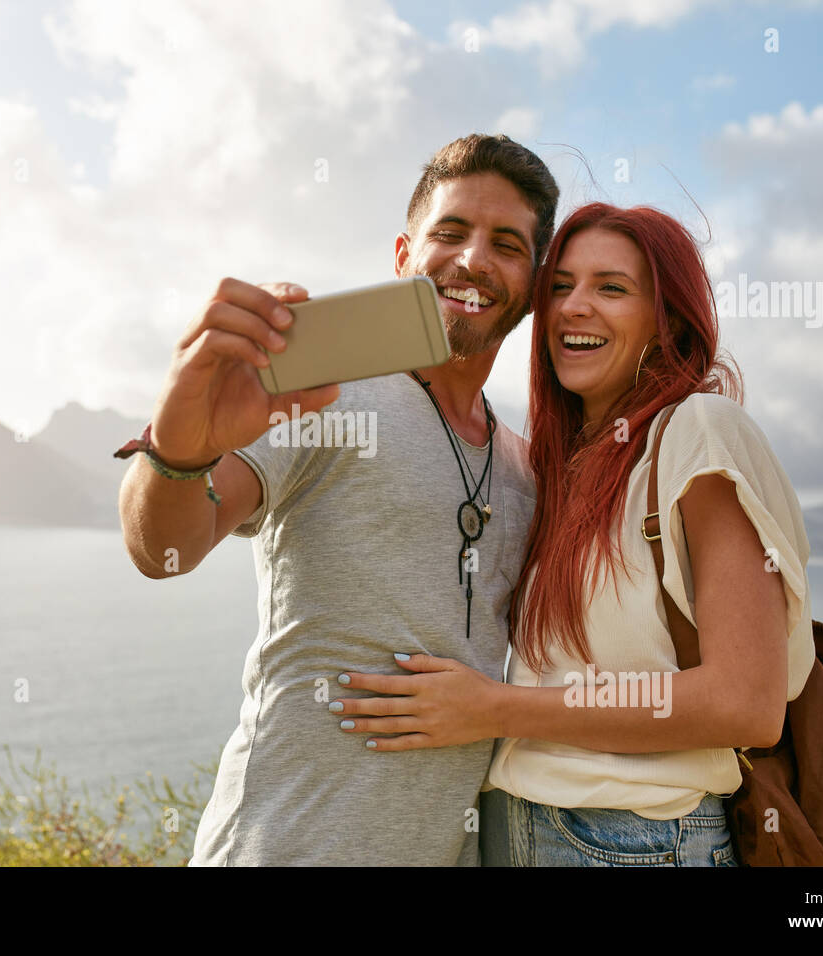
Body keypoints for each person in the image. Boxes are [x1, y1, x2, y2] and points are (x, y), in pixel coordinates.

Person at [116, 134, 560, 865]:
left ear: (535, 286)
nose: (473, 259)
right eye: (449, 232)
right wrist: (178, 450)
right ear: (402, 257)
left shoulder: (524, 470)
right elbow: (163, 552)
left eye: (506, 244)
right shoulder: (323, 394)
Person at [332, 202, 817, 866]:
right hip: (520, 831)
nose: (573, 308)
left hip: (636, 841)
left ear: (667, 318)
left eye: (610, 288)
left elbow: (746, 703)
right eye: (559, 287)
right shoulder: (559, 469)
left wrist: (495, 710)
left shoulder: (700, 430)